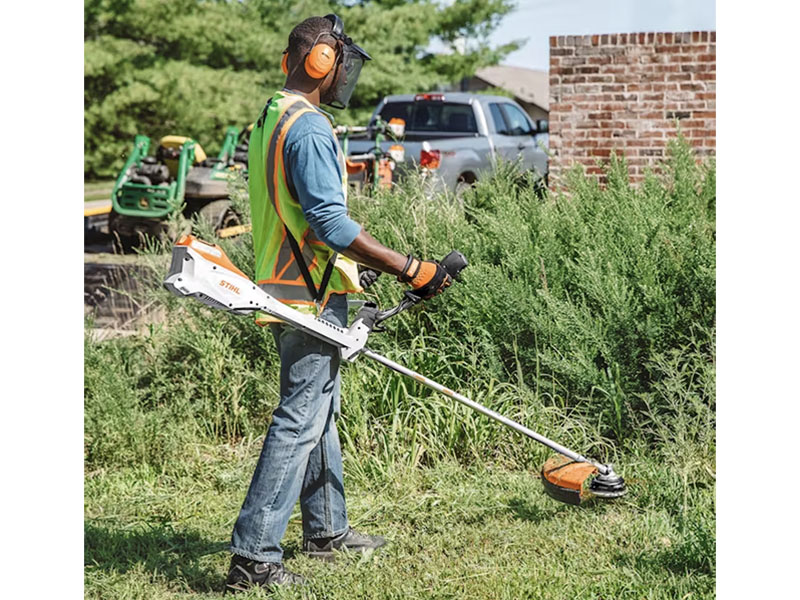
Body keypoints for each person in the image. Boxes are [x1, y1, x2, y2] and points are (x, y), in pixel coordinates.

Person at [225, 14, 452, 593]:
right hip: (306, 293)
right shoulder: (308, 128)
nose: (343, 76)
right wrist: (411, 267)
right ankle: (253, 558)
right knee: (301, 418)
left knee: (319, 411)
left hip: (290, 284)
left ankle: (326, 530)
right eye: (340, 63)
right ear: (320, 64)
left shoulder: (273, 113)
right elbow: (327, 221)